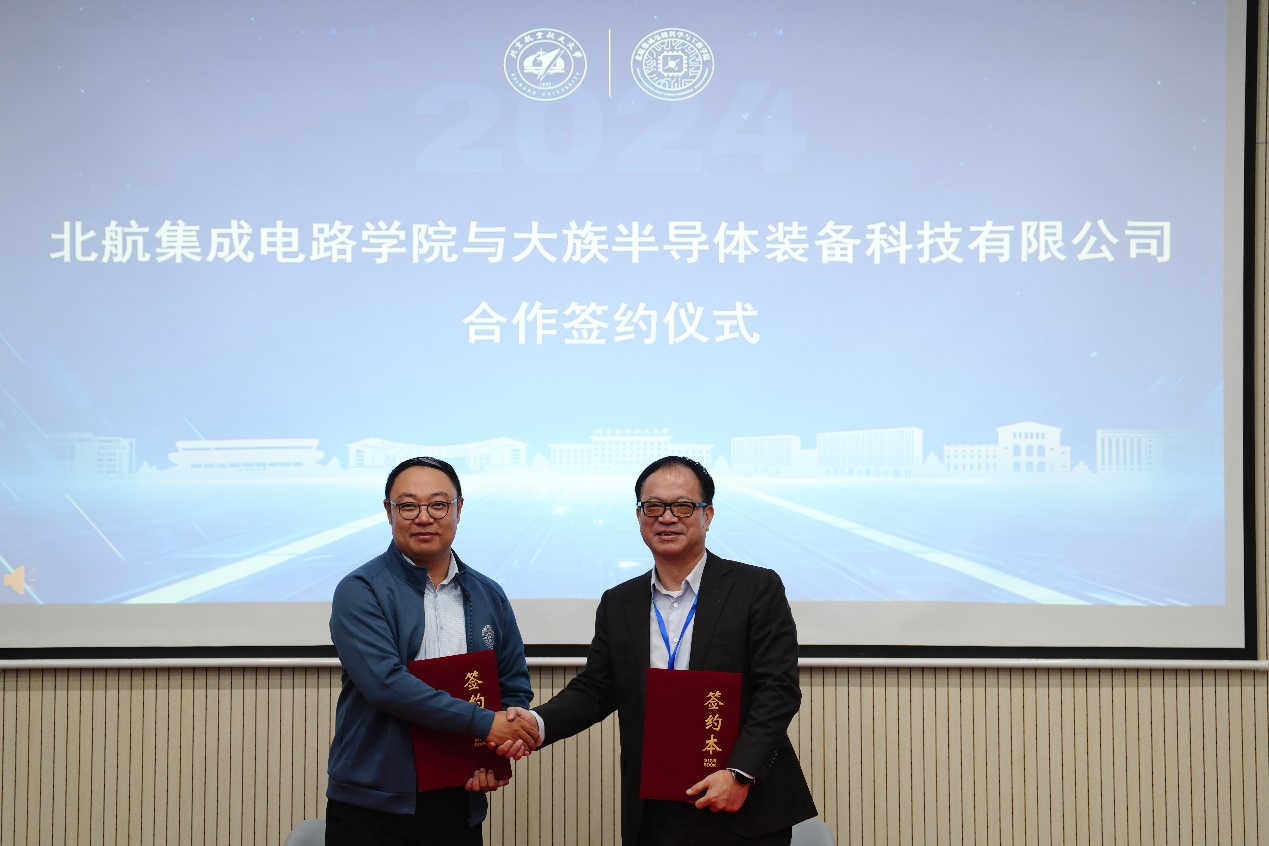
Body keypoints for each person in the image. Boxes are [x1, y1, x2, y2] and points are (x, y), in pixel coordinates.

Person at [508, 456, 816, 845]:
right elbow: (596, 689)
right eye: (653, 506)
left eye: (682, 506)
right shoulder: (619, 602)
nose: (666, 517)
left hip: (741, 803)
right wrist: (536, 724)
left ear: (707, 515)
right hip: (655, 809)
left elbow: (778, 689)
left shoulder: (755, 588)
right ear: (639, 516)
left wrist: (740, 774)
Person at [326, 456, 538, 845]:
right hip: (373, 803)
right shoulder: (361, 590)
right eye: (408, 506)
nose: (424, 517)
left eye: (438, 505)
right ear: (389, 512)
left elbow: (512, 683)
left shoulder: (489, 594)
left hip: (459, 794)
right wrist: (485, 725)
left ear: (459, 508)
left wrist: (493, 754)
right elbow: (386, 685)